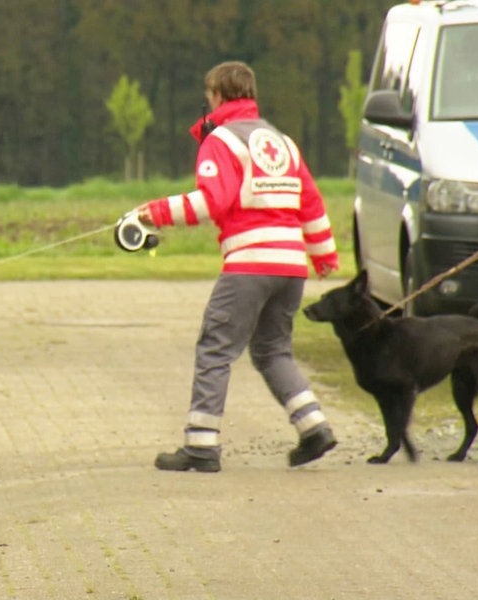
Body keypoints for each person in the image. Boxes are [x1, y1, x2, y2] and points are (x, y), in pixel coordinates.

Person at [136, 61, 340, 472]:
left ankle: (201, 446)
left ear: (216, 96)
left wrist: (154, 212)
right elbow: (311, 202)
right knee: (272, 351)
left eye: (208, 96)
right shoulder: (283, 142)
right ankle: (314, 427)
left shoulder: (222, 140)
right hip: (291, 266)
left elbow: (214, 201)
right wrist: (324, 255)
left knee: (215, 347)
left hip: (249, 263)